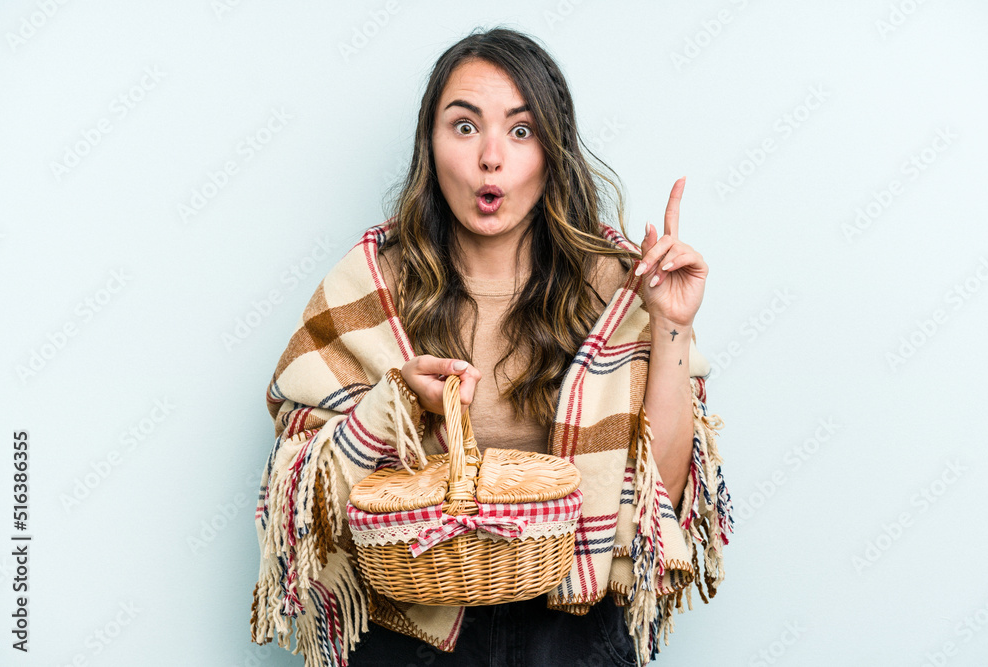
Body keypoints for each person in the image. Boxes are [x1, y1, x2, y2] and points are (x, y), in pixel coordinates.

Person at [250, 26, 732, 667]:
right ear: (431, 144)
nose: (492, 159)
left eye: (522, 130)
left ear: (552, 152)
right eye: (466, 126)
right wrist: (392, 407)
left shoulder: (618, 283)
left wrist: (672, 323)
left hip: (573, 629)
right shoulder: (373, 284)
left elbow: (660, 497)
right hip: (411, 628)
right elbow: (301, 495)